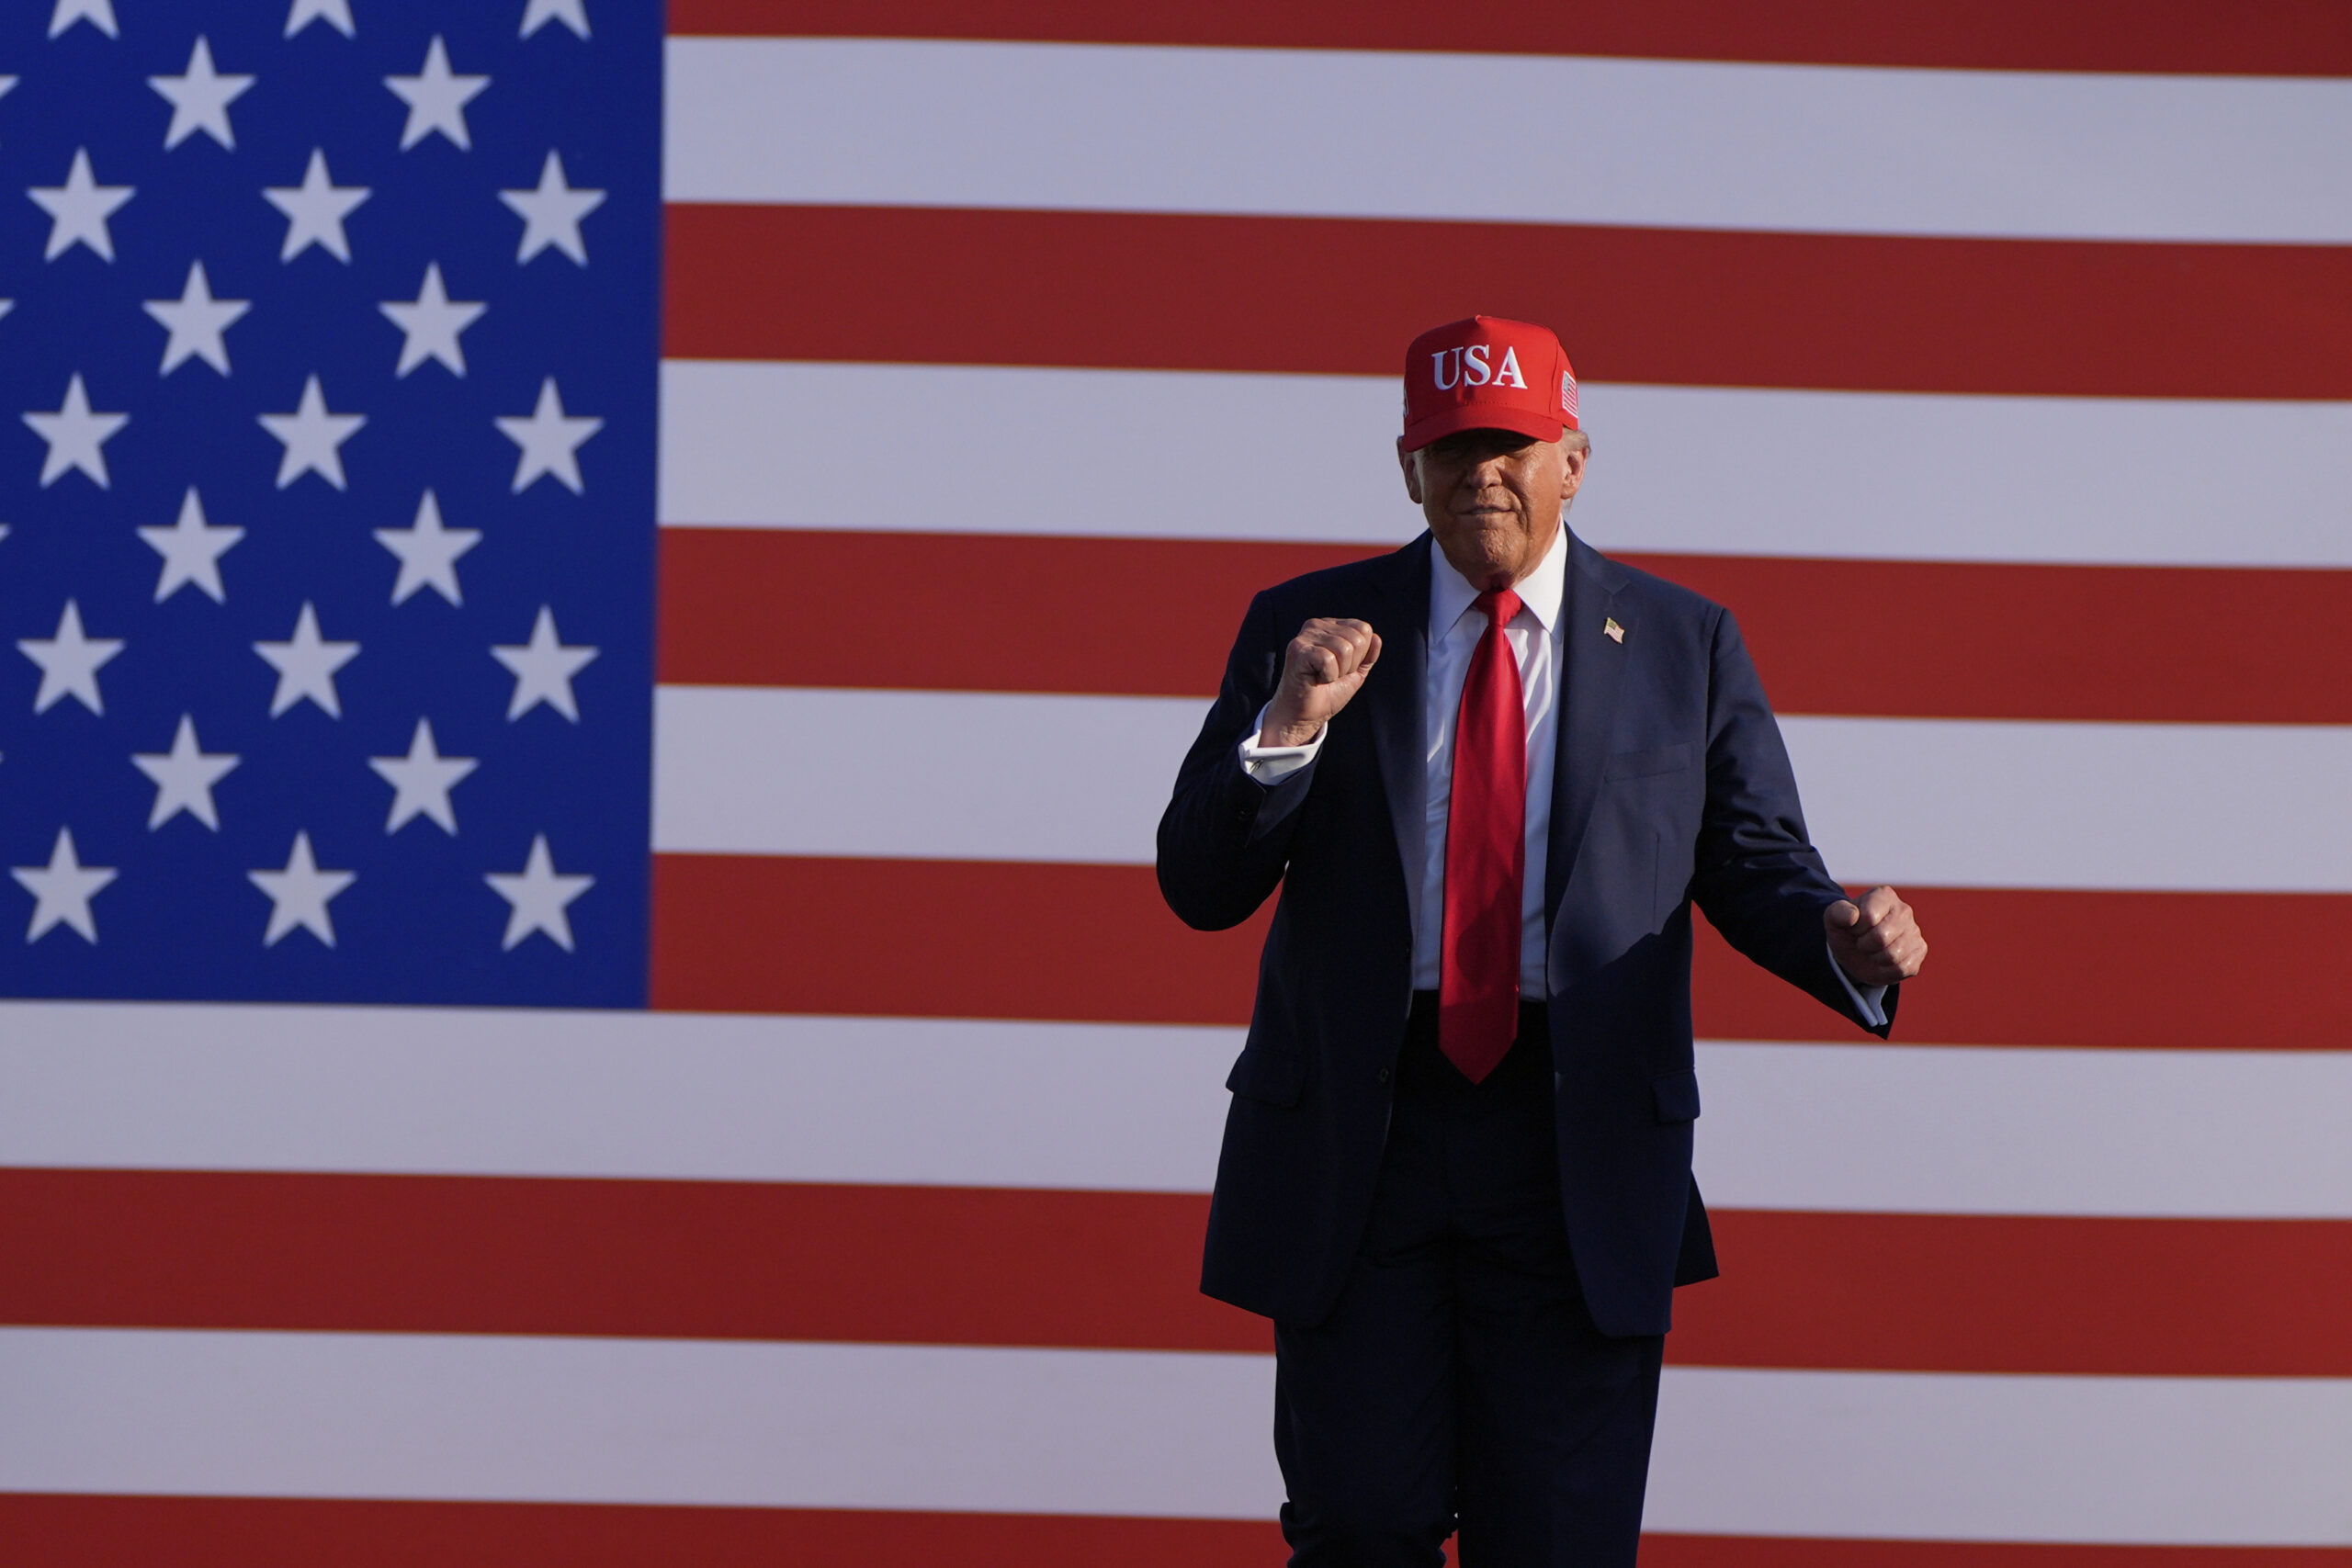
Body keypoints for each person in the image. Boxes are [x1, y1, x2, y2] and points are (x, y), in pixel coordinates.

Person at [1156, 315, 1927, 1566]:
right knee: (1360, 1528)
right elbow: (1199, 883)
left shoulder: (1682, 642)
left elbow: (1755, 861)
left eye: (1511, 447)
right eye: (1453, 450)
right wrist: (1287, 728)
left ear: (1574, 459)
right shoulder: (1306, 630)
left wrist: (1841, 939)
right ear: (1409, 469)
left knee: (1561, 1543)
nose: (1484, 476)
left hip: (1578, 1142)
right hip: (1364, 1136)